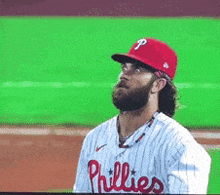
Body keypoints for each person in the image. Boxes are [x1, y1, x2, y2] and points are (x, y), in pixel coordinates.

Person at [73, 38, 211, 194]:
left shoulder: (180, 147)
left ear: (158, 85)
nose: (124, 75)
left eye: (137, 69)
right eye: (124, 67)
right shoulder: (95, 139)